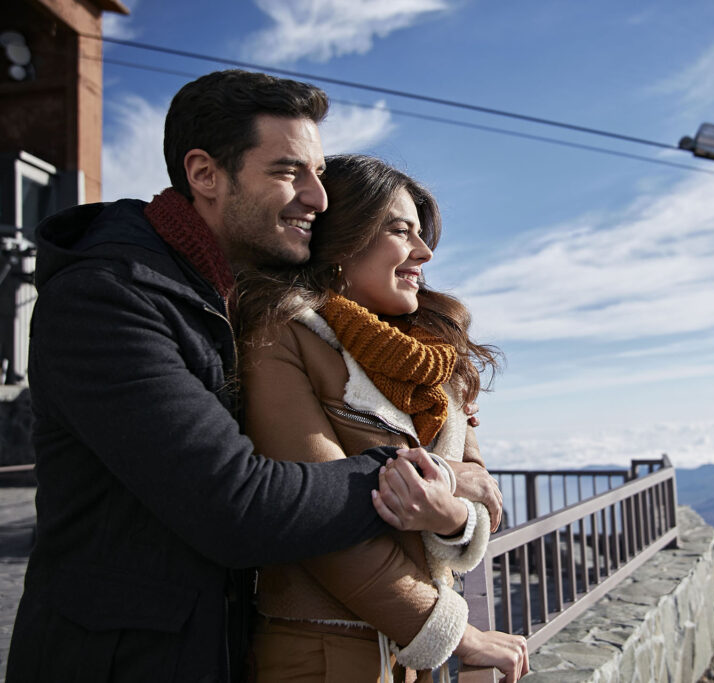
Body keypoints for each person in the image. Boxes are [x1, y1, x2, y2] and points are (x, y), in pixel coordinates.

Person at [6, 70, 472, 683]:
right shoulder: (109, 298)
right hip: (119, 662)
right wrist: (426, 474)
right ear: (205, 174)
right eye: (288, 172)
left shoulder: (221, 296)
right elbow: (237, 505)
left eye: (319, 175)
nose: (319, 199)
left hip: (212, 649)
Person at [234, 154, 528, 682]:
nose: (425, 251)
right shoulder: (284, 336)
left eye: (421, 233)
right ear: (343, 241)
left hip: (406, 654)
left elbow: (482, 496)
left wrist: (450, 517)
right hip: (322, 650)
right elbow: (318, 519)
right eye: (400, 231)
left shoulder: (437, 357)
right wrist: (457, 634)